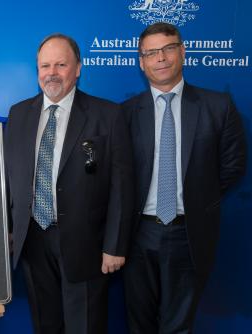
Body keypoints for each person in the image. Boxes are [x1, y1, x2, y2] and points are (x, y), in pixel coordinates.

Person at [4, 33, 134, 334]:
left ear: (78, 68)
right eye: (45, 65)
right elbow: (12, 175)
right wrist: (10, 227)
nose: (52, 72)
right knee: (45, 323)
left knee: (84, 325)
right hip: (33, 240)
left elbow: (122, 187)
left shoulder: (108, 115)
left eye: (61, 64)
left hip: (86, 243)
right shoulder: (19, 113)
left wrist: (115, 246)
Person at [122, 22, 247, 333]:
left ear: (183, 52)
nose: (160, 58)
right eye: (151, 52)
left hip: (188, 233)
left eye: (168, 48)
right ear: (141, 61)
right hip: (137, 235)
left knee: (178, 326)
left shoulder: (218, 106)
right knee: (139, 324)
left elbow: (233, 166)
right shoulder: (123, 114)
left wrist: (197, 195)